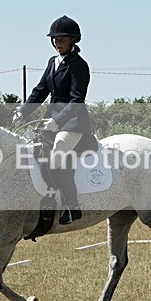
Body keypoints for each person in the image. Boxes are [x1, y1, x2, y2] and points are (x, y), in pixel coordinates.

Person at [14, 15, 91, 225]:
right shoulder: (52, 62)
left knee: (57, 155)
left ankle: (71, 206)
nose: (57, 43)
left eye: (62, 39)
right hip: (50, 119)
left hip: (73, 122)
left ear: (73, 40)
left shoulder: (79, 66)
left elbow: (77, 100)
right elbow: (41, 90)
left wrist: (57, 121)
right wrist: (23, 110)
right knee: (30, 149)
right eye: (55, 39)